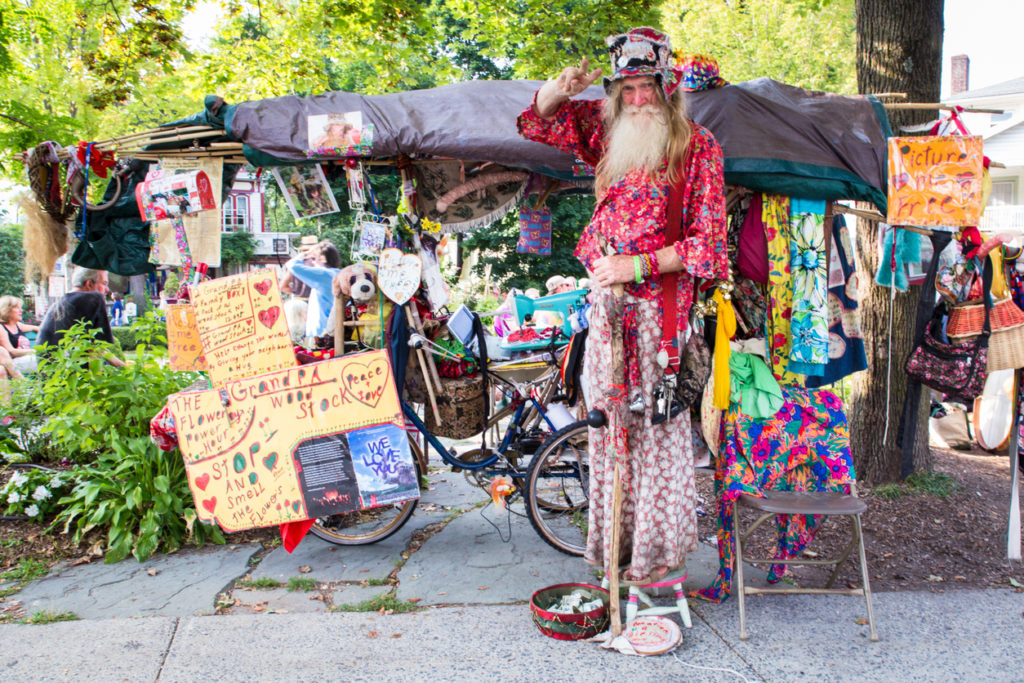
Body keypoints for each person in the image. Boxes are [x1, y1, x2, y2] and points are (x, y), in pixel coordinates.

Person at [517, 27, 727, 585]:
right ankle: (614, 556)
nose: (638, 99)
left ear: (668, 87)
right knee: (609, 433)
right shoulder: (608, 136)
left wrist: (632, 267)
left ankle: (657, 563)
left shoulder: (696, 146)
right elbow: (536, 121)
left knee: (656, 436)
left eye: (647, 87)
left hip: (659, 318)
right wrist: (558, 88)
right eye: (627, 88)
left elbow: (708, 247)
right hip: (606, 317)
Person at [36, 268, 126, 367]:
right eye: (104, 283)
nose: (107, 289)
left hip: (52, 375)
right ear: (89, 284)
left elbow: (95, 348)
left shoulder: (61, 303)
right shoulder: (92, 298)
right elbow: (94, 352)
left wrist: (125, 368)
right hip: (71, 377)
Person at [286, 241, 341, 340]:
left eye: (313, 258)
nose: (312, 262)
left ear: (322, 258)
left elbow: (292, 265)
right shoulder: (338, 273)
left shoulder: (323, 274)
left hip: (321, 332)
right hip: (334, 329)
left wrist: (305, 254)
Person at [0, 296, 39, 378]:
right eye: (17, 308)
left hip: (25, 359)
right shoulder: (1, 328)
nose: (21, 310)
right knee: (47, 360)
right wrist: (36, 351)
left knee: (50, 359)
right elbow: (11, 352)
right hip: (13, 362)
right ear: (7, 310)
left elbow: (37, 328)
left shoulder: (17, 325)